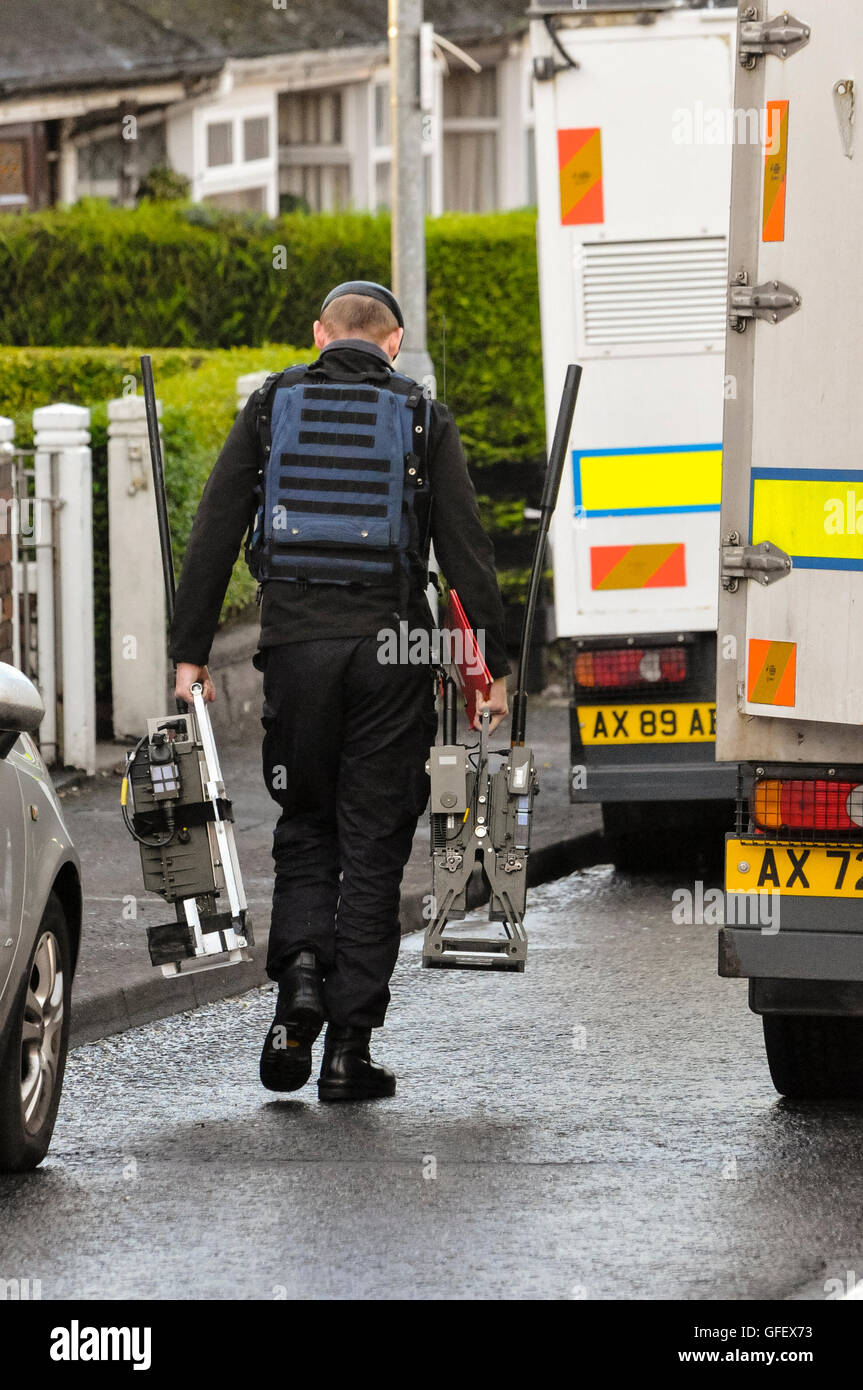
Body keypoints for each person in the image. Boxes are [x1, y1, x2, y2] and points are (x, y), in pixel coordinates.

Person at [170, 281, 510, 1102]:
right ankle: (348, 1055)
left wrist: (189, 655)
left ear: (320, 335)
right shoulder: (422, 419)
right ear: (392, 343)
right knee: (372, 847)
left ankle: (297, 996)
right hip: (393, 655)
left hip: (295, 651)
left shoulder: (270, 405)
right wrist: (489, 670)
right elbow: (464, 552)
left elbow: (215, 530)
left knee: (307, 826)